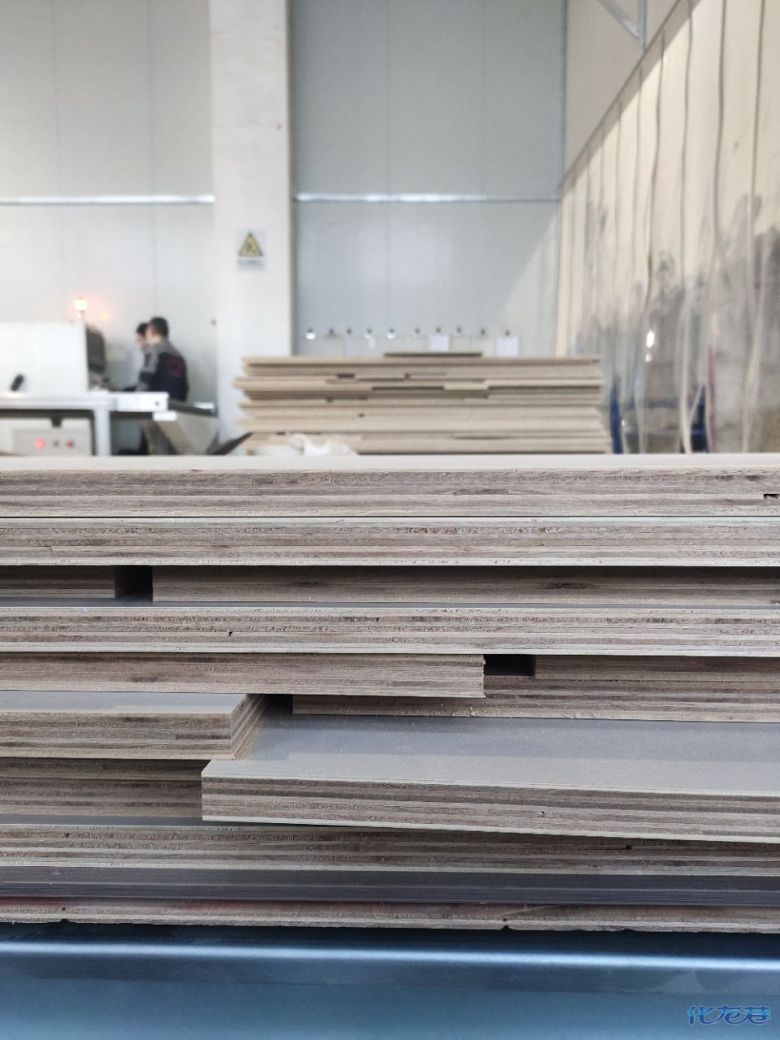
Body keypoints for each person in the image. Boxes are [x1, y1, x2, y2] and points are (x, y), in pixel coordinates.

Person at [137, 316, 189, 402]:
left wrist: (137, 400)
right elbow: (184, 387)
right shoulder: (178, 355)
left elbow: (145, 378)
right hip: (176, 405)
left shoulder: (154, 350)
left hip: (156, 404)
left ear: (151, 331)